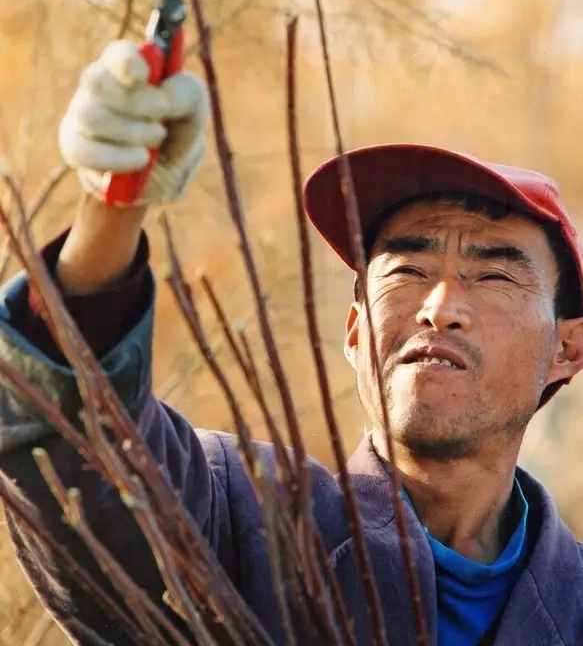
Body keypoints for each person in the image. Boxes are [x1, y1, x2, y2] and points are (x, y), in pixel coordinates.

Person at [0, 40, 582, 646]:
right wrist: (112, 205)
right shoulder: (247, 517)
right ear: (355, 333)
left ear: (567, 349)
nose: (439, 309)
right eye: (408, 272)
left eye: (492, 275)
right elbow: (86, 449)